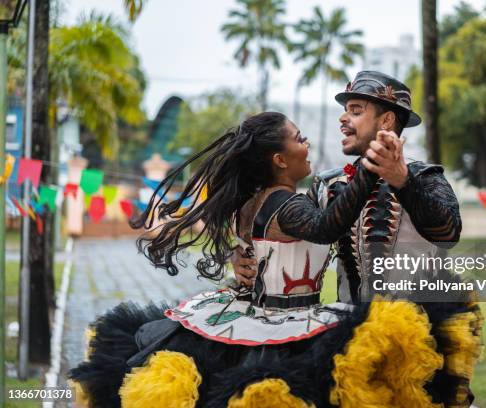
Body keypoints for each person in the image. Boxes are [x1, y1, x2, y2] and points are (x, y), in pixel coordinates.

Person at [70, 111, 430, 408]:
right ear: (279, 159)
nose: (307, 145)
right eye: (299, 138)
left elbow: (261, 244)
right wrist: (371, 169)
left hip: (258, 315)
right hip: (284, 328)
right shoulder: (285, 205)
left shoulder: (258, 200)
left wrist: (236, 256)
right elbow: (324, 228)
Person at [232, 71, 484, 407]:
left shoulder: (427, 177)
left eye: (355, 110)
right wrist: (240, 256)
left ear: (387, 119)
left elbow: (449, 233)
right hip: (348, 342)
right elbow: (281, 229)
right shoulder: (327, 184)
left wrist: (403, 181)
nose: (342, 118)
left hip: (420, 342)